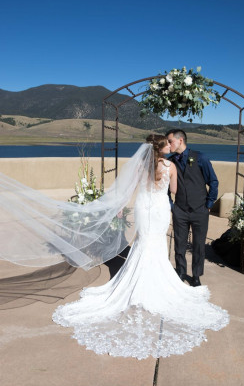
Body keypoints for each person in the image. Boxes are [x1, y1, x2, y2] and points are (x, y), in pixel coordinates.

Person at [0, 135, 228, 359]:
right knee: (156, 243)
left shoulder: (140, 167)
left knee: (142, 242)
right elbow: (175, 192)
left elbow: (127, 189)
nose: (170, 145)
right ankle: (157, 280)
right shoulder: (170, 167)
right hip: (159, 208)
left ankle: (137, 279)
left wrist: (119, 206)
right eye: (166, 143)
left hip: (143, 207)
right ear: (161, 149)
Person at [166, 129, 219, 287]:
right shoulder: (170, 162)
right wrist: (171, 206)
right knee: (179, 244)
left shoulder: (200, 158)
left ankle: (196, 276)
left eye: (170, 141)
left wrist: (208, 205)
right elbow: (165, 188)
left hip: (200, 210)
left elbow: (213, 182)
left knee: (198, 245)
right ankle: (181, 271)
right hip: (180, 210)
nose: (168, 145)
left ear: (180, 140)